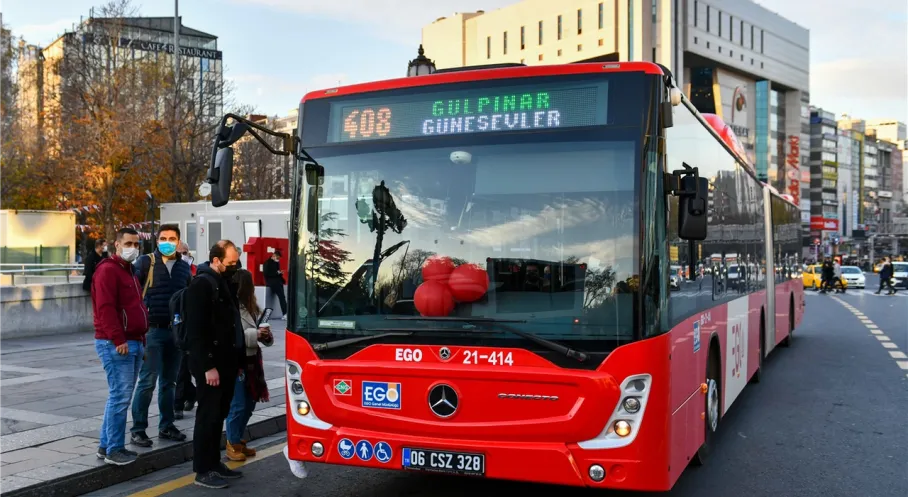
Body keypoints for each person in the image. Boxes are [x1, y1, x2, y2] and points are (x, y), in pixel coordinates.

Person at [184, 240, 245, 489]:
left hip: (226, 362)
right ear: (216, 260)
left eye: (236, 263)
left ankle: (214, 462)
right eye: (231, 263)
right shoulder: (201, 284)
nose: (235, 267)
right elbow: (196, 331)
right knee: (208, 416)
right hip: (211, 364)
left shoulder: (223, 282)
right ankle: (203, 469)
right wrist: (208, 366)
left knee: (219, 414)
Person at [130, 224, 191, 447]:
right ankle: (138, 429)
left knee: (170, 382)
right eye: (163, 238)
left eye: (172, 238)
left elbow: (188, 298)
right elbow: (132, 292)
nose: (167, 242)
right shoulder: (146, 263)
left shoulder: (184, 268)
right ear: (157, 241)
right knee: (147, 381)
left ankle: (166, 426)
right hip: (152, 331)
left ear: (178, 241)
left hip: (174, 332)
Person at [91, 228, 147, 466]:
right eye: (128, 243)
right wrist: (118, 340)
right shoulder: (108, 271)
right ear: (116, 245)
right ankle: (114, 448)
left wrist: (140, 340)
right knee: (120, 398)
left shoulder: (129, 271)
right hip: (117, 343)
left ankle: (106, 446)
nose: (132, 247)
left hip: (133, 340)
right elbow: (105, 309)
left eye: (136, 244)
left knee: (119, 397)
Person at [225, 269, 274, 461]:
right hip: (237, 361)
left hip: (253, 361)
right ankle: (232, 443)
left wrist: (266, 336)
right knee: (237, 404)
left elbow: (263, 336)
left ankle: (237, 438)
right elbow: (231, 336)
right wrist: (256, 335)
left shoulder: (252, 307)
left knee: (250, 402)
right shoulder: (231, 307)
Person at [174, 241, 198, 419]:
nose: (183, 255)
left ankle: (178, 404)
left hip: (187, 323)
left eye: (185, 252)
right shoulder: (171, 271)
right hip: (172, 322)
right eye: (180, 252)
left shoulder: (193, 270)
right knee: (179, 369)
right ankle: (190, 395)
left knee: (183, 368)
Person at [262, 250, 287, 319]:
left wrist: (279, 273)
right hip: (273, 283)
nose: (278, 260)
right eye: (278, 258)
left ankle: (285, 313)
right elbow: (266, 274)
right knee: (282, 297)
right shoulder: (267, 263)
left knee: (282, 298)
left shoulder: (276, 263)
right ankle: (285, 313)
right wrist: (277, 273)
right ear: (274, 256)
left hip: (278, 282)